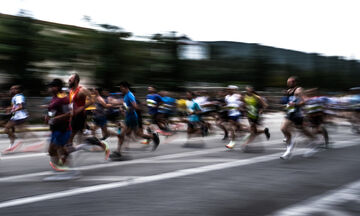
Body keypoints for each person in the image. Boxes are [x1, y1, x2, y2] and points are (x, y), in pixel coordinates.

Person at [110, 82, 160, 160]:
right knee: (137, 134)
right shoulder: (126, 95)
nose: (120, 90)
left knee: (122, 135)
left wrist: (126, 109)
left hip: (132, 118)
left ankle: (119, 152)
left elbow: (135, 106)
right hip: (129, 117)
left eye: (121, 88)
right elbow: (127, 105)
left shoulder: (130, 95)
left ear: (125, 87)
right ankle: (153, 136)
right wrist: (122, 107)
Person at [280, 76, 316, 160]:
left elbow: (305, 101)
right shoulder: (288, 91)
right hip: (290, 113)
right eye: (287, 82)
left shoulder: (299, 90)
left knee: (303, 130)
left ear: (295, 82)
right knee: (283, 128)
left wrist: (296, 104)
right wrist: (284, 99)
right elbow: (285, 102)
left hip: (297, 114)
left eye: (290, 82)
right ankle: (289, 150)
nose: (288, 83)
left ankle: (313, 140)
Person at [46, 79, 72, 171]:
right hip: (55, 128)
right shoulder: (54, 97)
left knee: (54, 149)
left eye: (51, 87)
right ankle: (61, 168)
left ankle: (63, 168)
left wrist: (56, 118)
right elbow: (52, 111)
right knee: (53, 150)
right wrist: (48, 117)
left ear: (57, 87)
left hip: (63, 128)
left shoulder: (63, 98)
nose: (49, 89)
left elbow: (69, 113)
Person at [240, 86, 270, 151]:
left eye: (249, 90)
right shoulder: (245, 97)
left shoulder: (257, 97)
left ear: (252, 90)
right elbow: (245, 105)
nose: (248, 91)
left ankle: (245, 145)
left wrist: (261, 110)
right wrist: (243, 108)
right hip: (249, 116)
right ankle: (265, 131)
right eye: (246, 90)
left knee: (252, 131)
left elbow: (265, 105)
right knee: (254, 131)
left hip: (256, 115)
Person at [67, 73, 94, 146]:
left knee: (71, 135)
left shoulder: (82, 90)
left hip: (80, 115)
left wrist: (82, 107)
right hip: (73, 115)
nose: (68, 80)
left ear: (76, 81)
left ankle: (67, 152)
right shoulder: (71, 91)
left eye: (70, 79)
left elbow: (92, 100)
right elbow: (71, 103)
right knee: (79, 135)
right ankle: (82, 146)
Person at [3, 85, 29, 151]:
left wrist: (13, 110)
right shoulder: (15, 97)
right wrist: (10, 108)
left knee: (6, 129)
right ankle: (11, 144)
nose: (11, 90)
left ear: (18, 90)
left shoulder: (18, 97)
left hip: (19, 117)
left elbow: (21, 106)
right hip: (17, 116)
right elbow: (16, 106)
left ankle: (13, 139)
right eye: (11, 89)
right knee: (22, 131)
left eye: (13, 89)